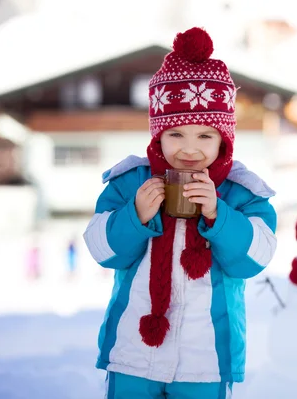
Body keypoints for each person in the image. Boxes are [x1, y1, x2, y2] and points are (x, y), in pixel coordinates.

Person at [83, 26, 277, 399]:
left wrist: (220, 217)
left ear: (224, 138)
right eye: (176, 134)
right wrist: (135, 215)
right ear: (158, 134)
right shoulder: (129, 183)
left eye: (205, 135)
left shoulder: (241, 192)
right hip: (133, 353)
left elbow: (255, 258)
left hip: (205, 360)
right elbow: (101, 250)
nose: (190, 149)